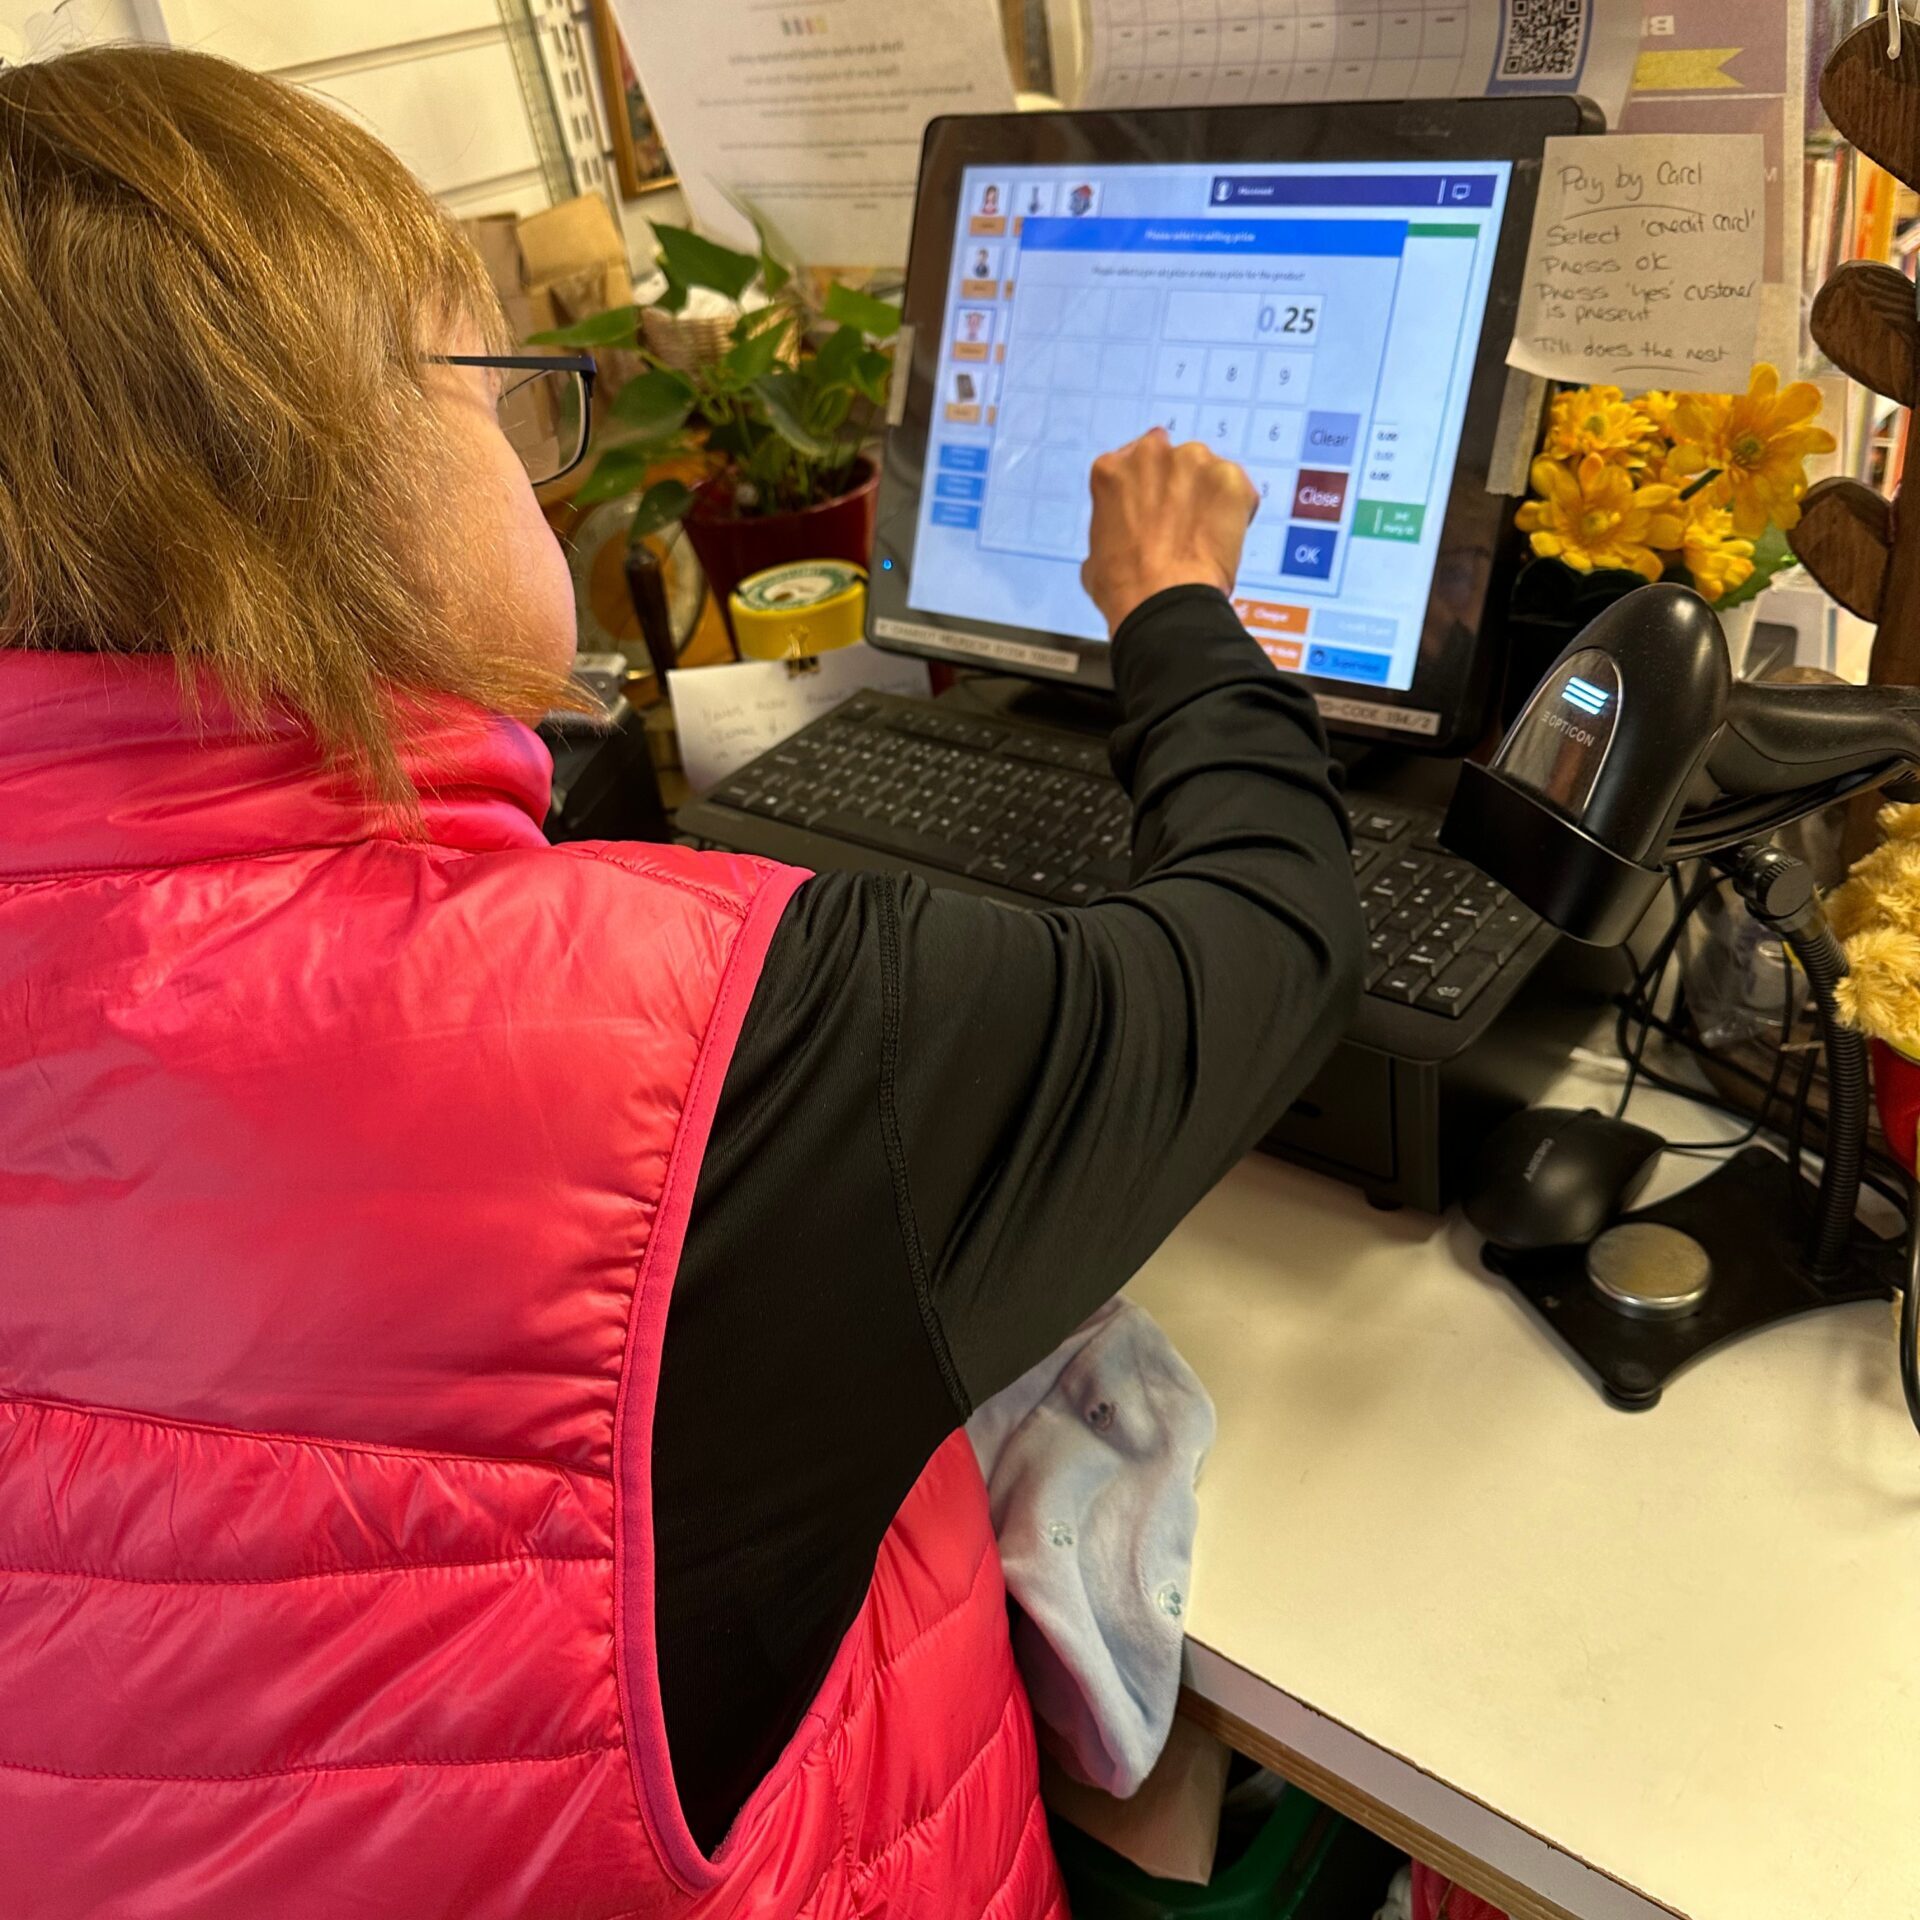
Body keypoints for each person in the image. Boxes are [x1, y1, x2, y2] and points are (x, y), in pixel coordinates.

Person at [0, 45, 1362, 1920]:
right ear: (315, 467)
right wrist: (1177, 606)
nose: (534, 466)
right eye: (492, 391)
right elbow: (1271, 942)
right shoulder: (675, 1055)